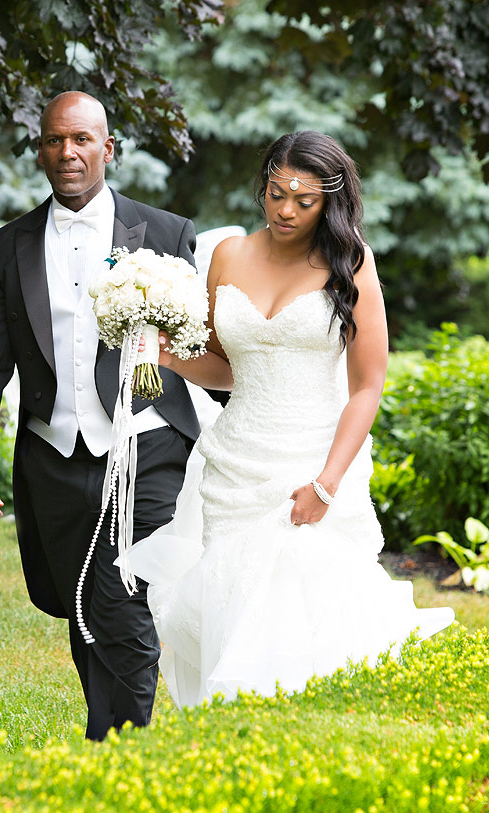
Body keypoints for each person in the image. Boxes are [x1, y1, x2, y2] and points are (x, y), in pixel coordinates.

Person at [122, 131, 455, 708]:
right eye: (277, 193)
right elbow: (226, 368)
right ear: (265, 183)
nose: (285, 210)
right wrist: (162, 352)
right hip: (234, 464)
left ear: (331, 201)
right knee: (233, 605)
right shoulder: (228, 257)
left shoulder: (350, 264)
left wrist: (327, 484)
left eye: (304, 201)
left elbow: (367, 386)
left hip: (314, 462)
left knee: (304, 618)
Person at [0, 91, 204, 740]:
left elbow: (202, 344)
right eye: (55, 140)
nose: (68, 152)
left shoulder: (165, 233)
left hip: (145, 447)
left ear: (108, 148)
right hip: (52, 455)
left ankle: (123, 743)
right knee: (81, 605)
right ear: (41, 149)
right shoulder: (6, 248)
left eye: (83, 139)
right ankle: (109, 737)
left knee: (122, 596)